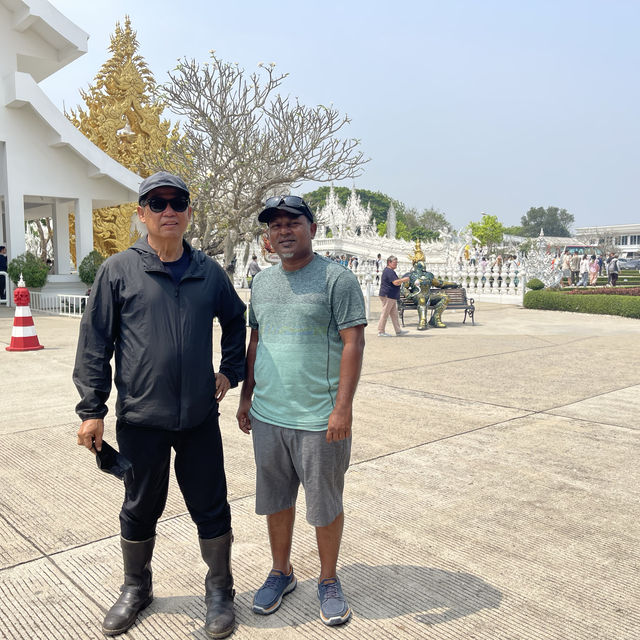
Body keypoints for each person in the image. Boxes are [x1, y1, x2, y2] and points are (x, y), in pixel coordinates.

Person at [73, 171, 246, 639]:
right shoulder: (119, 270)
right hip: (141, 419)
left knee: (211, 506)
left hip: (198, 419)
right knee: (139, 504)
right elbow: (94, 344)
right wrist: (92, 409)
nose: (168, 211)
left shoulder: (208, 272)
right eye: (157, 203)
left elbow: (236, 320)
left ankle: (219, 590)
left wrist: (231, 371)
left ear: (189, 212)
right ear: (141, 213)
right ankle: (136, 586)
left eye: (177, 202)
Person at [236, 195, 366, 627]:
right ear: (268, 237)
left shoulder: (336, 279)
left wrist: (342, 409)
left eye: (293, 222)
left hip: (318, 418)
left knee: (324, 503)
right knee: (276, 500)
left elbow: (353, 342)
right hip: (270, 415)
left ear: (312, 227)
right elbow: (257, 341)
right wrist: (246, 396)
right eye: (275, 226)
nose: (284, 230)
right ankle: (282, 571)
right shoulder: (263, 283)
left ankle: (328, 579)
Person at [377, 255, 410, 337]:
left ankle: (398, 331)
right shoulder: (389, 271)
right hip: (388, 295)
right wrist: (404, 279)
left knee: (394, 314)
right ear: (389, 262)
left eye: (396, 263)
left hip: (391, 295)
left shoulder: (389, 270)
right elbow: (395, 282)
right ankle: (381, 331)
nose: (396, 264)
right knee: (385, 313)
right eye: (394, 263)